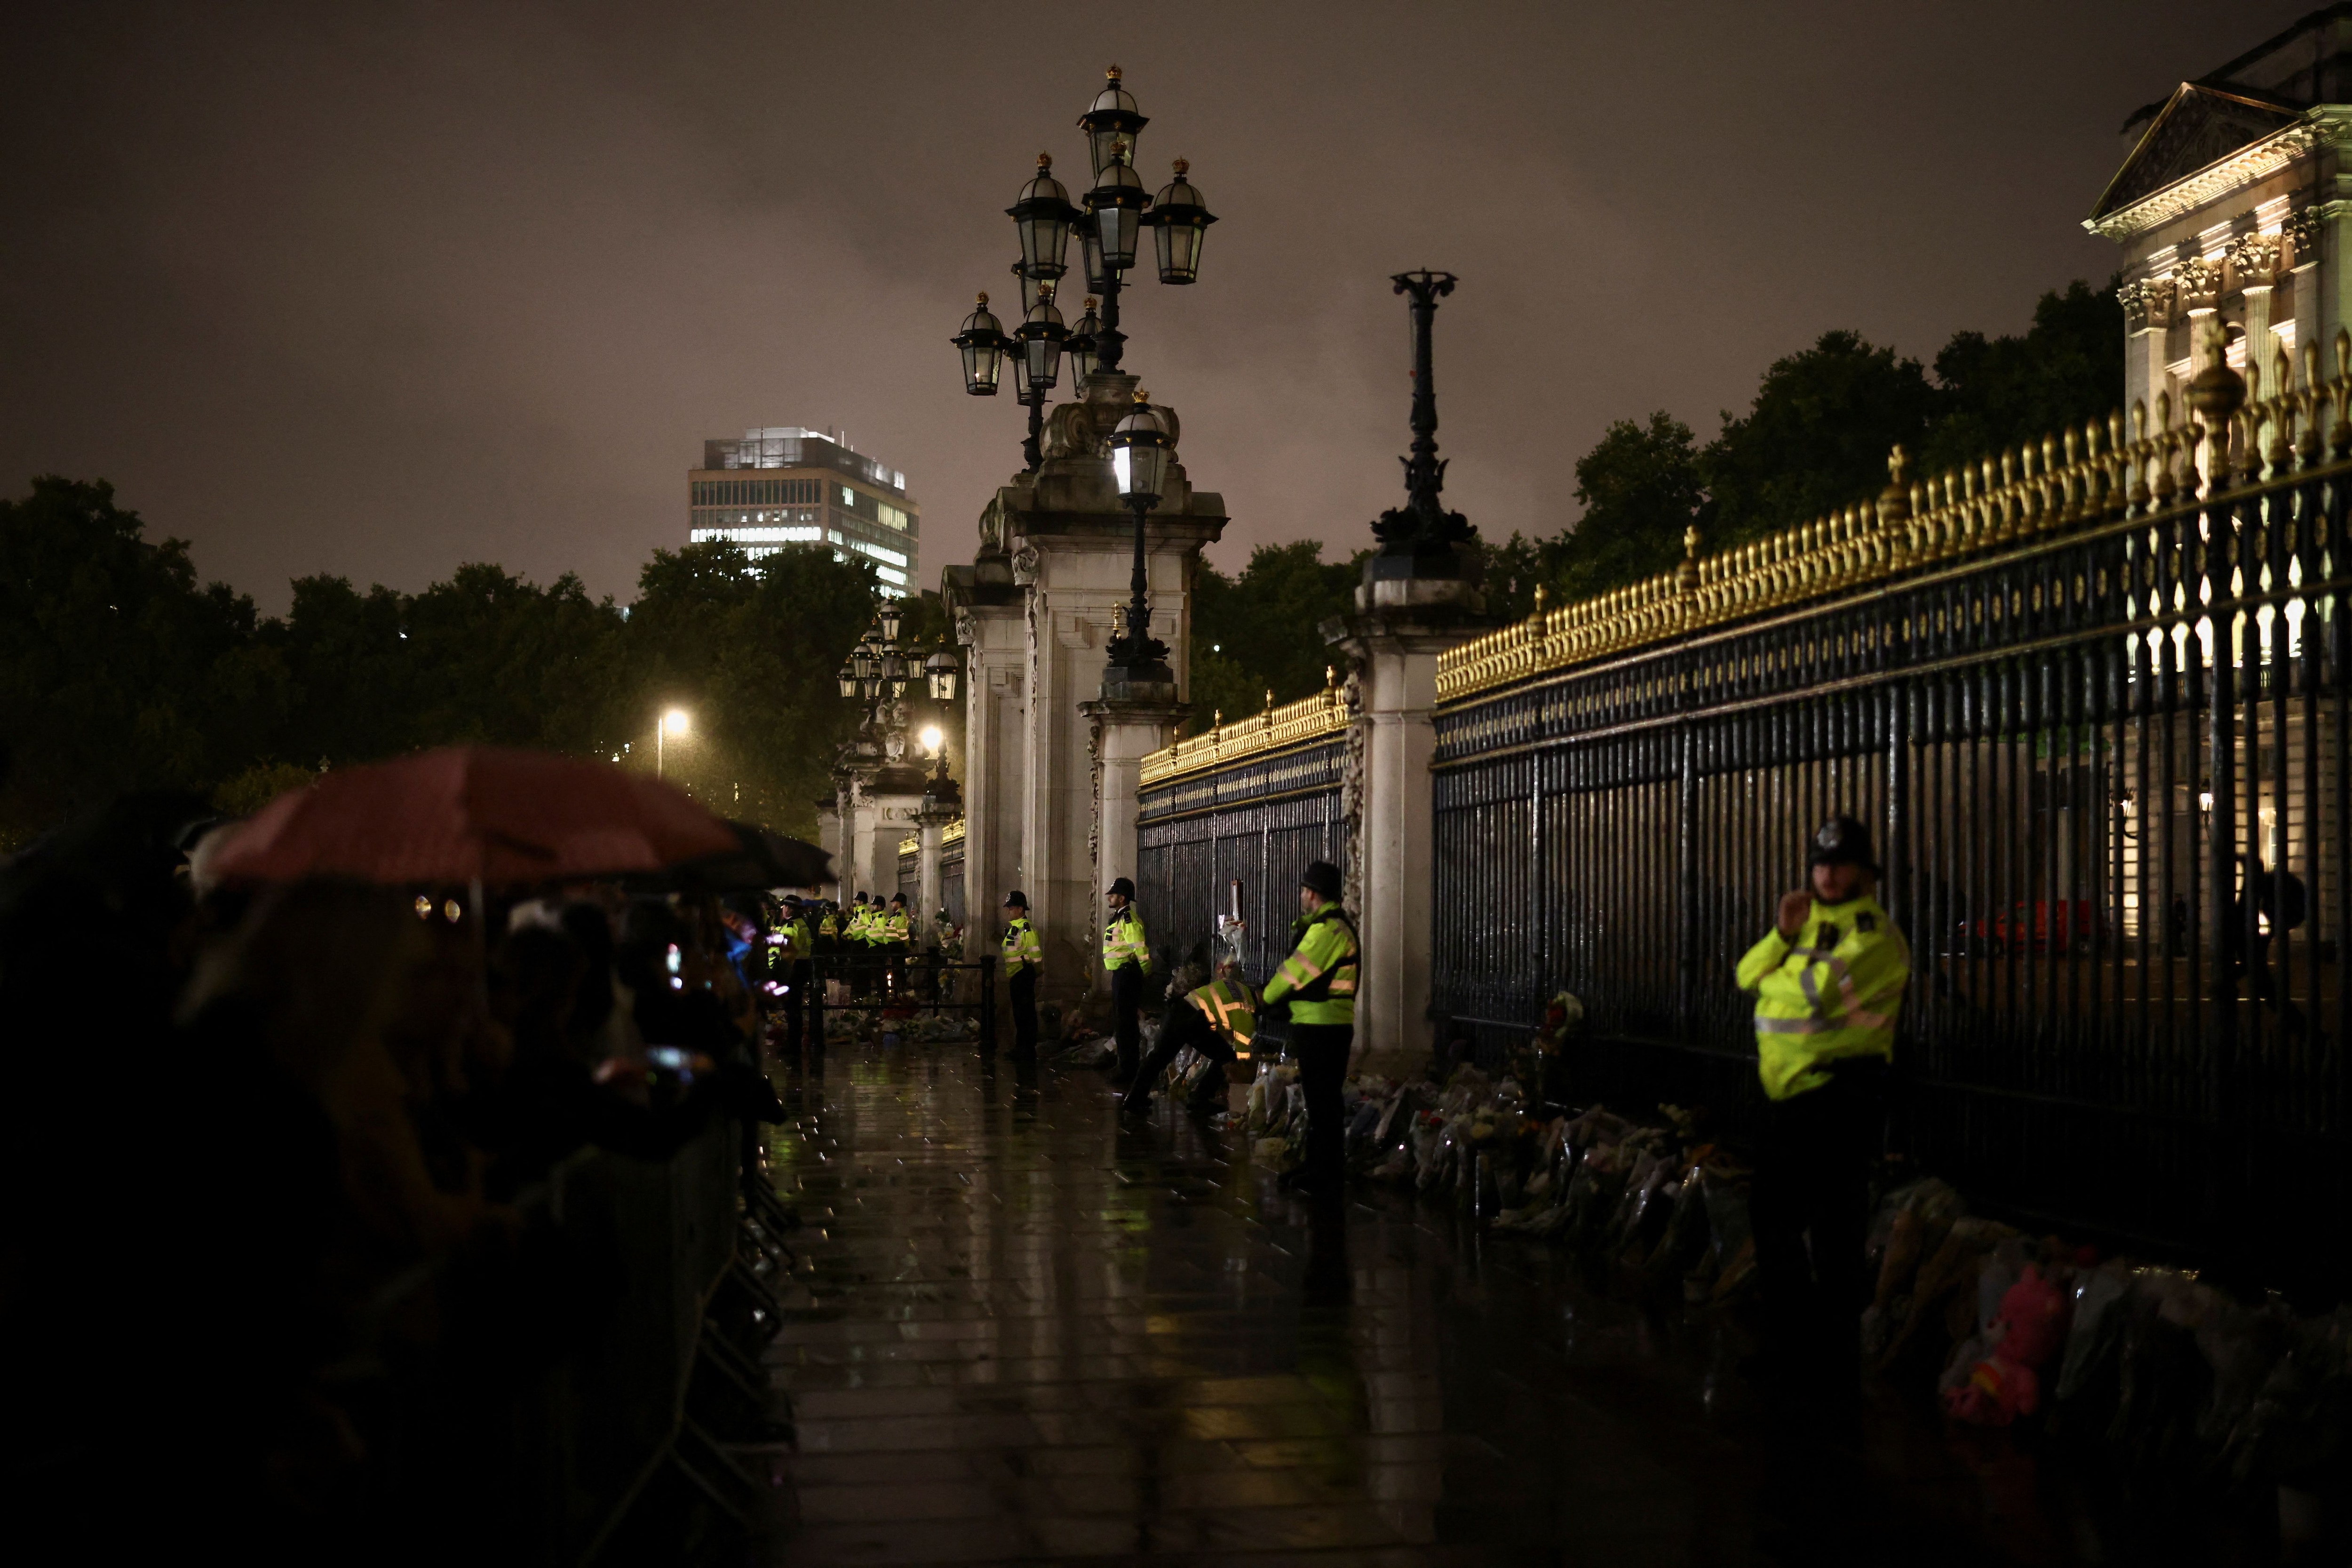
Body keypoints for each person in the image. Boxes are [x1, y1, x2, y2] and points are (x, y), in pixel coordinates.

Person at [1735, 814, 1910, 1390]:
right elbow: (1745, 976)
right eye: (1820, 863)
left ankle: (1825, 1354)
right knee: (1780, 1220)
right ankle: (1799, 1346)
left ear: (1864, 872)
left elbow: (1805, 998)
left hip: (1840, 1090)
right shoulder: (1806, 925)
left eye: (1839, 864)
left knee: (1830, 1227)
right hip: (1789, 1094)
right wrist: (1783, 937)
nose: (1828, 874)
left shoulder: (1872, 934)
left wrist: (1779, 971)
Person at [1259, 861, 1357, 1194]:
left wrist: (1266, 998)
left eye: (1303, 890)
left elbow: (1293, 974)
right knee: (1321, 1101)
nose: (1301, 895)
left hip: (1323, 1025)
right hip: (1324, 1023)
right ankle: (1317, 1165)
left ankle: (1325, 1172)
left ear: (1312, 893)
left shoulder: (1326, 930)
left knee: (1323, 1102)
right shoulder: (1331, 926)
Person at [1122, 923, 1253, 1121]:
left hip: (1183, 1010)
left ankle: (1135, 1098)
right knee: (1224, 1055)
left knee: (1159, 1057)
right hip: (1193, 1019)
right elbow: (1243, 1054)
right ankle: (1198, 1099)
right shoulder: (1247, 1008)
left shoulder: (1237, 988)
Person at [1102, 876, 1151, 1083]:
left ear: (1122, 898)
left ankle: (1128, 1069)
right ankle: (1124, 1065)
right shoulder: (1119, 918)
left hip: (1127, 974)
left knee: (1126, 1023)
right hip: (1121, 974)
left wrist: (1144, 971)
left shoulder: (1128, 919)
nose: (1109, 898)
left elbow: (1140, 948)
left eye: (1112, 895)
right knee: (1122, 1021)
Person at [1001, 890, 1042, 1054]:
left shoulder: (1026, 929)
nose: (1008, 911)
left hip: (1024, 974)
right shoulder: (1015, 928)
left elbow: (1036, 954)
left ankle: (1027, 1048)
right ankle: (1021, 1046)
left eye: (1011, 908)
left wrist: (1035, 971)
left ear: (1020, 909)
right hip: (1016, 974)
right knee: (1019, 1012)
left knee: (1025, 1013)